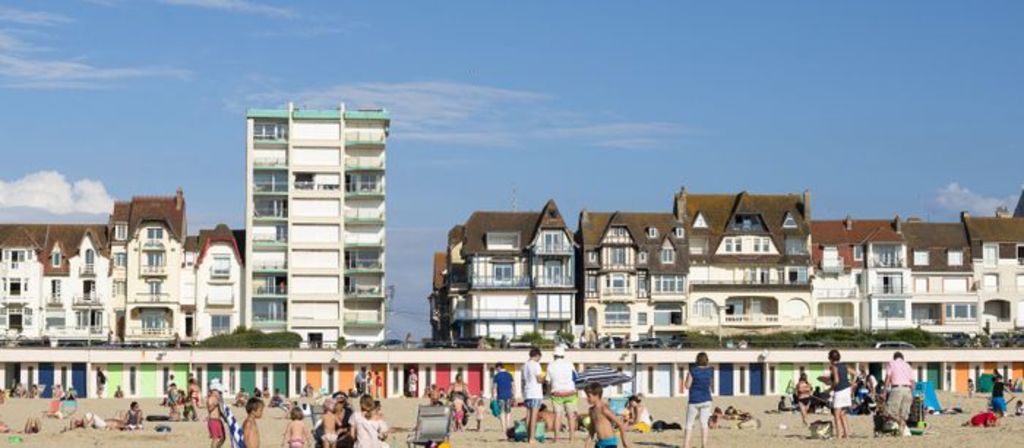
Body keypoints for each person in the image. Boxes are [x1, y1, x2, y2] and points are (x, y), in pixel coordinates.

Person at [546, 345, 579, 443]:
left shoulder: (550, 365)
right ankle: (572, 439)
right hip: (570, 392)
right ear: (563, 355)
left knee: (557, 416)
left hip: (556, 393)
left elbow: (548, 381)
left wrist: (549, 392)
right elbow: (576, 378)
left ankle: (556, 439)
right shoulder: (569, 364)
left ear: (554, 356)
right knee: (571, 416)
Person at [584, 382, 627, 448]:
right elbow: (592, 430)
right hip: (599, 443)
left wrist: (624, 442)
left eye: (588, 396)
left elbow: (620, 423)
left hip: (610, 443)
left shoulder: (604, 409)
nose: (586, 398)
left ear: (597, 395)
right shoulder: (591, 410)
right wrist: (586, 445)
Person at [684, 352, 713, 448]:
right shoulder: (710, 371)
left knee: (689, 424)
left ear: (697, 360)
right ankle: (704, 445)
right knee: (704, 423)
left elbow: (687, 386)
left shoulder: (693, 371)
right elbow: (709, 385)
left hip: (694, 400)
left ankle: (686, 445)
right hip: (707, 399)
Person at [884, 351, 916, 436]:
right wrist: (913, 393)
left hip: (897, 389)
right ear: (902, 358)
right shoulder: (907, 365)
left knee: (890, 411)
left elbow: (888, 378)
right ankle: (903, 431)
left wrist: (884, 392)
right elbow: (913, 381)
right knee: (904, 413)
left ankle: (902, 426)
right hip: (908, 389)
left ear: (894, 357)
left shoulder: (891, 363)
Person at [522, 347, 544, 445]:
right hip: (535, 392)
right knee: (534, 416)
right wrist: (544, 380)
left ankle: (528, 436)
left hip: (527, 392)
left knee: (528, 416)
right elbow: (539, 379)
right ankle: (531, 438)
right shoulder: (536, 365)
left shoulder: (524, 365)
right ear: (537, 355)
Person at [827, 349, 852, 439]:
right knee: (843, 414)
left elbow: (836, 380)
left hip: (840, 391)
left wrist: (830, 388)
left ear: (830, 358)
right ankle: (847, 434)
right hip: (847, 390)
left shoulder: (834, 367)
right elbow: (855, 374)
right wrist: (852, 384)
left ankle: (839, 435)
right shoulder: (844, 365)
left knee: (836, 414)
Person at [492, 363, 515, 434]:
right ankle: (508, 426)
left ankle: (503, 428)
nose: (496, 370)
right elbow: (513, 385)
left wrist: (493, 396)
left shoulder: (497, 376)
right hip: (509, 395)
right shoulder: (509, 375)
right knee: (508, 412)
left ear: (498, 367)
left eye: (496, 369)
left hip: (500, 396)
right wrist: (514, 395)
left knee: (501, 412)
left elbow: (494, 387)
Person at [207, 379, 226, 448]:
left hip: (218, 420)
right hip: (213, 420)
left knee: (223, 438)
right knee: (215, 439)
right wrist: (215, 404)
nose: (219, 393)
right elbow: (209, 409)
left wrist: (224, 417)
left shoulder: (217, 398)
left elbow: (219, 410)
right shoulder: (211, 398)